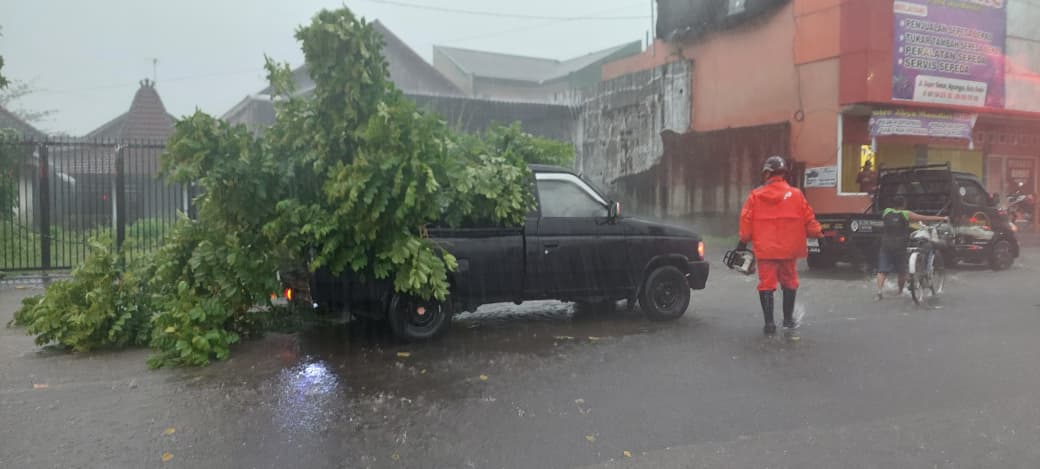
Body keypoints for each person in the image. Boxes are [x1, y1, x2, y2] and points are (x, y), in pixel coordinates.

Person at [738, 156, 823, 335]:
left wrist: (742, 243)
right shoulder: (797, 195)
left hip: (766, 250)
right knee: (790, 282)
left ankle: (769, 325)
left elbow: (745, 225)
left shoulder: (755, 196)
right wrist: (818, 234)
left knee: (766, 285)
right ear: (783, 173)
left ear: (767, 173)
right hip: (789, 250)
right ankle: (788, 321)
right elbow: (810, 220)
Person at [875, 196, 948, 301]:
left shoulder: (886, 212)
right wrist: (942, 218)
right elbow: (924, 218)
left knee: (882, 270)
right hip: (900, 246)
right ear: (903, 204)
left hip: (886, 244)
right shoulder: (906, 214)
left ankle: (879, 292)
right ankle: (900, 292)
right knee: (901, 271)